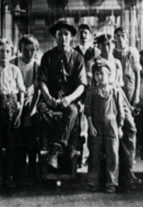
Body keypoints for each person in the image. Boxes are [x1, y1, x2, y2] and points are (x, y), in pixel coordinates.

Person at [38, 20, 87, 169]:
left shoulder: (78, 58)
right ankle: (67, 142)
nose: (63, 38)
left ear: (71, 37)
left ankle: (54, 148)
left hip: (69, 99)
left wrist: (69, 98)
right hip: (50, 98)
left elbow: (81, 85)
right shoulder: (47, 56)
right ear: (55, 36)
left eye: (66, 34)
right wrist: (48, 98)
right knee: (42, 109)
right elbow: (42, 82)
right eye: (60, 34)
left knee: (72, 111)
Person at [0, 39, 26, 189]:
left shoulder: (15, 70)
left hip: (12, 106)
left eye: (7, 51)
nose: (4, 54)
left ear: (12, 53)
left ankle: (10, 177)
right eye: (1, 51)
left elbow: (21, 92)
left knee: (11, 144)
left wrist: (19, 113)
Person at [85, 61, 125, 194]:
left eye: (102, 74)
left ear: (109, 74)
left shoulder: (115, 90)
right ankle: (92, 182)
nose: (99, 77)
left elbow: (120, 109)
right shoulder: (91, 90)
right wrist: (90, 126)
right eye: (96, 74)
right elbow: (88, 109)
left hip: (112, 125)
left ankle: (112, 182)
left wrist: (120, 126)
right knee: (94, 154)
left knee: (112, 154)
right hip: (96, 125)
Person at [112, 27, 142, 188]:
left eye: (123, 35)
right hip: (114, 96)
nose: (121, 38)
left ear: (127, 36)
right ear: (114, 38)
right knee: (116, 129)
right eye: (118, 36)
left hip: (129, 93)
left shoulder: (133, 52)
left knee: (128, 131)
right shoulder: (111, 52)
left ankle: (128, 170)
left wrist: (136, 95)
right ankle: (115, 172)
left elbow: (138, 74)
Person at [11, 34, 41, 186]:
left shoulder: (37, 66)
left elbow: (37, 91)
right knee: (16, 135)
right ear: (19, 49)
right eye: (25, 50)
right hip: (14, 102)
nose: (29, 54)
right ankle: (18, 169)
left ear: (36, 50)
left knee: (31, 129)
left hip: (30, 103)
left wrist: (31, 112)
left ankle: (32, 168)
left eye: (32, 50)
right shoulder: (12, 63)